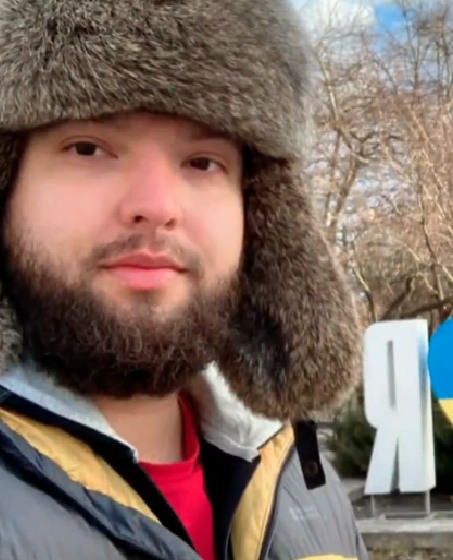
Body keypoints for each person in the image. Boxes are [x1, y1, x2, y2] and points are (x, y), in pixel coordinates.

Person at [0, 0, 369, 559]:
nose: (156, 206)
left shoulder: (300, 481)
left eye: (202, 162)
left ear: (262, 215)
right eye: (88, 148)